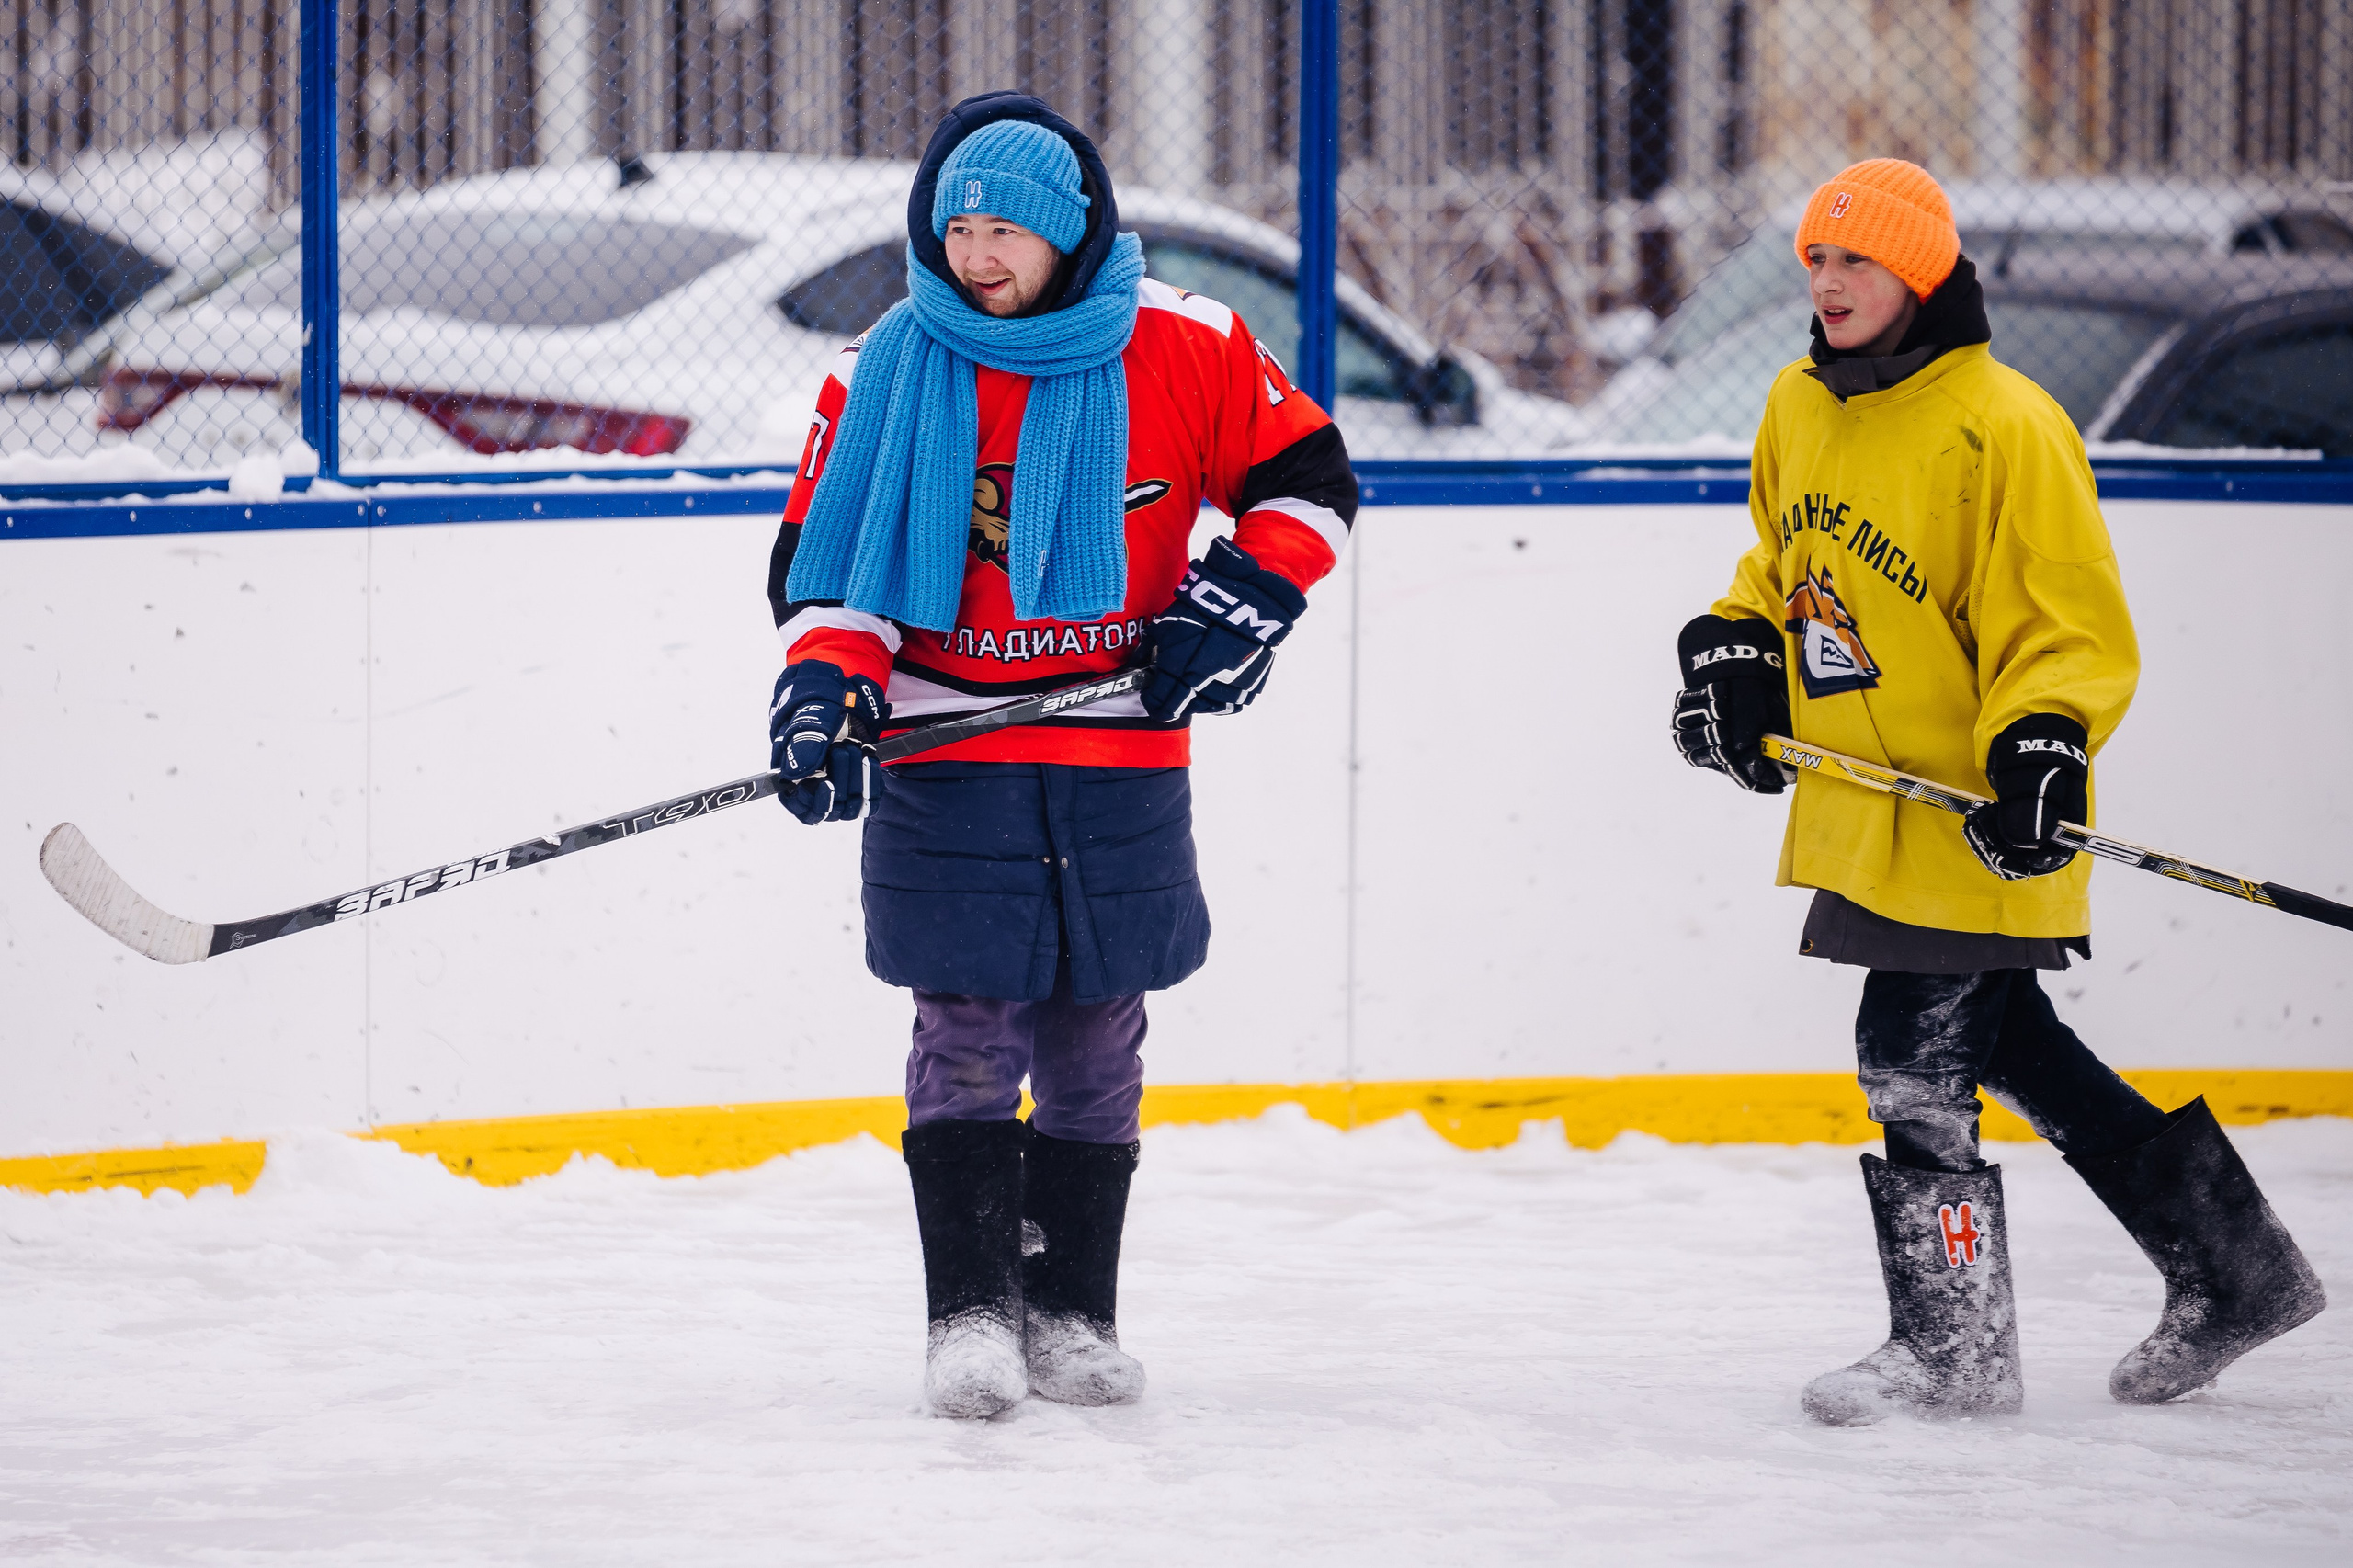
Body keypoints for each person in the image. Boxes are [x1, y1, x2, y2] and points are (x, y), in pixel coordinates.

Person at [1668, 158, 2325, 1425]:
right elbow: (1781, 567)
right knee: (2014, 1044)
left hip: (1980, 816)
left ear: (1920, 272)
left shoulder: (2007, 424)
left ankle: (1952, 1347)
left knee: (1909, 1059)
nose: (1828, 280)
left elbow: (2062, 620)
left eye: (1857, 259)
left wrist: (2042, 747)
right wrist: (1735, 651)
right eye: (1815, 258)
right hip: (1872, 812)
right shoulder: (1798, 404)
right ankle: (2236, 1271)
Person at [763, 93, 1356, 1419]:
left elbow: (1309, 481)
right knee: (966, 1029)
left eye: (1007, 232)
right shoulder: (880, 367)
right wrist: (826, 690)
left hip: (1118, 757)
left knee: (1098, 1037)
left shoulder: (1189, 344)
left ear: (1070, 232)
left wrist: (1246, 596)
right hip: (949, 754)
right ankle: (972, 1319)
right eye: (957, 227)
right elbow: (823, 566)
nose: (976, 256)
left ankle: (1074, 1312)